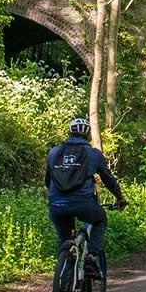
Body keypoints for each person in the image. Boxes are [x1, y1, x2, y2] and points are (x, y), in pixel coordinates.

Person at [46, 117, 128, 280]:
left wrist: (58, 199)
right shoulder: (93, 154)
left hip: (56, 204)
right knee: (100, 220)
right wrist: (119, 197)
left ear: (69, 132)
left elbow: (48, 181)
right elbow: (109, 180)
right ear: (89, 135)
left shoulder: (54, 152)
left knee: (64, 241)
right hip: (83, 203)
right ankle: (90, 258)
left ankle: (64, 288)